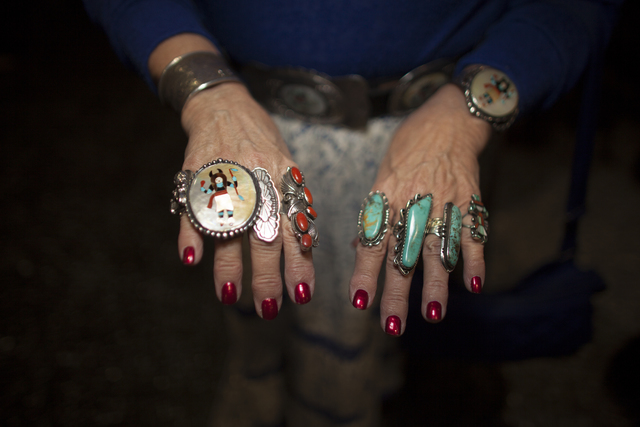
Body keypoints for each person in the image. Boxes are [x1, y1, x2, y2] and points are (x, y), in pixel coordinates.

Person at [84, 1, 622, 424]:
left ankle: (374, 376)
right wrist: (209, 95)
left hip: (448, 119)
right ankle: (256, 379)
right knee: (254, 295)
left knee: (359, 341)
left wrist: (465, 113)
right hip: (241, 109)